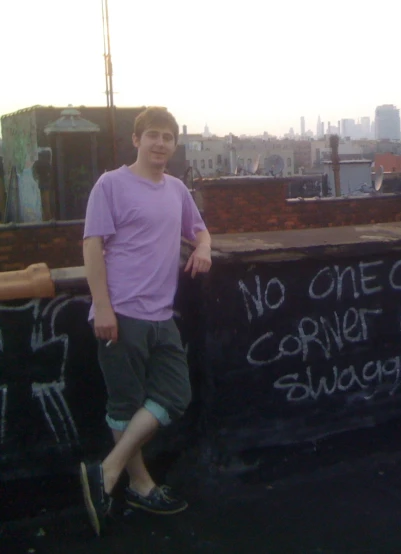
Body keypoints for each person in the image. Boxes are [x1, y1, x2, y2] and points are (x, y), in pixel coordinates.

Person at [79, 107, 212, 536]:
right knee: (125, 403)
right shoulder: (111, 184)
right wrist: (102, 306)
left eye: (168, 137)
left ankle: (108, 470)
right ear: (136, 140)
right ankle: (140, 484)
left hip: (161, 314)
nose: (160, 144)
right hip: (121, 313)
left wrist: (203, 247)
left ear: (174, 145)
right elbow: (92, 246)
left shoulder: (176, 189)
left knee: (175, 393)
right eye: (152, 135)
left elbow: (199, 229)